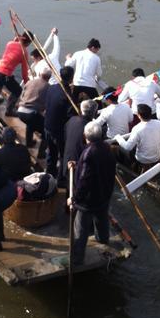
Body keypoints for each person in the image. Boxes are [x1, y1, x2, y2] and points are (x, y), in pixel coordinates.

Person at [70, 121, 116, 265]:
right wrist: (78, 165)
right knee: (102, 221)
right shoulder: (107, 148)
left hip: (88, 201)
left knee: (81, 228)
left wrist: (74, 199)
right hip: (104, 194)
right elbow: (98, 169)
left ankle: (77, 258)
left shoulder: (88, 153)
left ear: (85, 136)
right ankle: (103, 243)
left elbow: (84, 180)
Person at [44, 65, 75, 180]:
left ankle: (49, 173)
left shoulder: (51, 88)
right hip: (58, 131)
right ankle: (61, 179)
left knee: (51, 152)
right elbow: (70, 116)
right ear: (71, 78)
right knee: (63, 154)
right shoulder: (68, 96)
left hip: (47, 126)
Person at [0, 31, 32, 116]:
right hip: (4, 74)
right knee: (17, 90)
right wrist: (27, 84)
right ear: (28, 43)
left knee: (0, 82)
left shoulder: (10, 43)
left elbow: (14, 44)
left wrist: (16, 40)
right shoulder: (24, 52)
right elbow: (24, 73)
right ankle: (9, 111)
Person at [16, 67, 51, 156]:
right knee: (46, 131)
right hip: (31, 114)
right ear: (49, 77)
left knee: (31, 123)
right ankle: (41, 153)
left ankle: (29, 143)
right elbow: (46, 104)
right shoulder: (48, 87)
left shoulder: (30, 81)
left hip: (20, 110)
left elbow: (22, 94)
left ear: (40, 74)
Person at [62, 99, 98, 180]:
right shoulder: (90, 128)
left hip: (66, 162)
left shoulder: (72, 120)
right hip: (78, 168)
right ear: (94, 113)